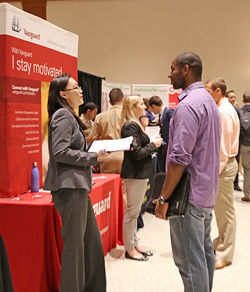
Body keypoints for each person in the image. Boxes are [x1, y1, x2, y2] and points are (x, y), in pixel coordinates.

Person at [155, 52, 221, 292]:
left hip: (188, 198)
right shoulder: (209, 102)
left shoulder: (188, 106)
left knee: (190, 264)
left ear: (185, 69)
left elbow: (178, 159)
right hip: (205, 193)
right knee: (203, 255)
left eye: (172, 68)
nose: (169, 73)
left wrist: (163, 198)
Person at [43, 73, 106, 292]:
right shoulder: (63, 115)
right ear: (62, 94)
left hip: (78, 187)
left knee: (91, 245)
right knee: (74, 249)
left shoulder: (69, 115)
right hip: (69, 188)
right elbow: (60, 152)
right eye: (75, 87)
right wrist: (93, 157)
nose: (81, 91)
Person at [121, 95, 162, 261]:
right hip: (134, 174)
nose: (145, 108)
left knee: (136, 211)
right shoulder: (130, 126)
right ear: (132, 107)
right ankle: (129, 248)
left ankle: (134, 242)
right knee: (132, 212)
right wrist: (154, 145)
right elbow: (137, 153)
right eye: (141, 105)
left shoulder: (136, 125)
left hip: (140, 173)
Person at [205, 78, 240, 269]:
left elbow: (222, 149)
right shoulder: (224, 109)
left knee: (226, 212)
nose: (206, 93)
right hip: (225, 165)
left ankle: (225, 253)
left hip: (223, 166)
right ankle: (221, 241)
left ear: (218, 91)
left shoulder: (223, 112)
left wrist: (214, 172)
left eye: (208, 90)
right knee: (220, 210)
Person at [91, 88, 128, 207]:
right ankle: (123, 222)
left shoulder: (100, 117)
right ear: (123, 99)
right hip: (124, 156)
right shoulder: (128, 116)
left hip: (105, 156)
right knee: (124, 192)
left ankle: (109, 221)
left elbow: (94, 139)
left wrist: (95, 160)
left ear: (110, 101)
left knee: (107, 191)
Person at [148, 95, 174, 172]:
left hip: (170, 145)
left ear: (153, 106)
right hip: (164, 146)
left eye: (151, 109)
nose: (151, 112)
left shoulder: (169, 112)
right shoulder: (161, 114)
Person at [226, 90, 242, 191]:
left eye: (234, 97)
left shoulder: (237, 109)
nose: (233, 99)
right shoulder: (225, 110)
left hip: (237, 141)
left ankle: (236, 183)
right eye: (231, 97)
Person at [239, 91, 250, 202]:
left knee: (247, 169)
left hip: (244, 144)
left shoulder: (240, 112)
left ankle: (247, 195)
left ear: (243, 100)